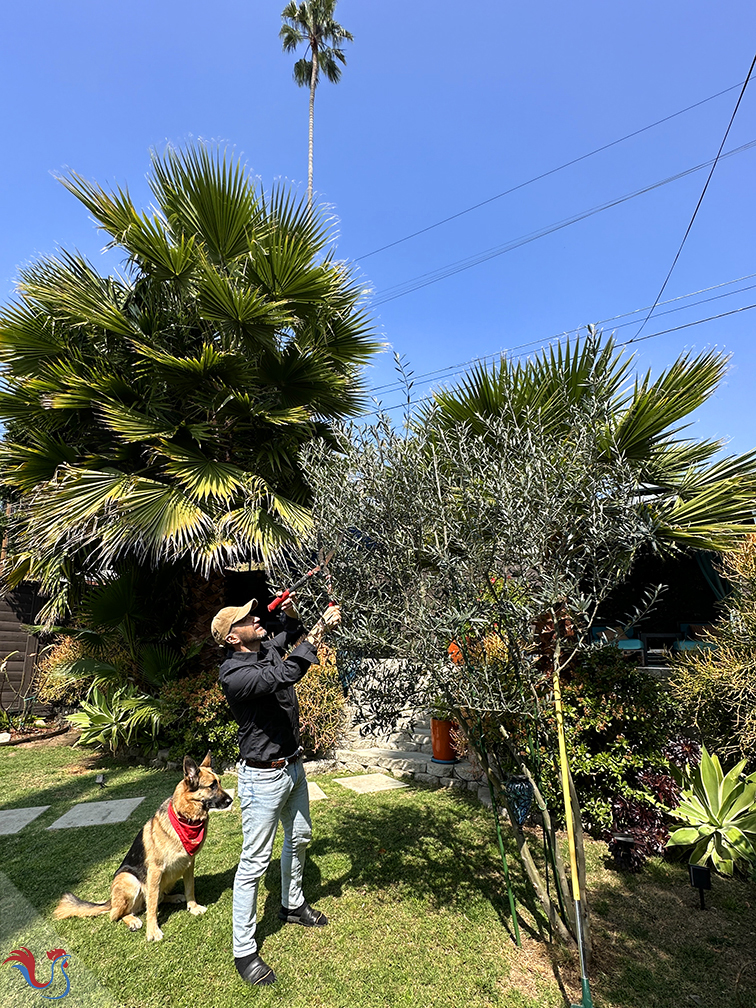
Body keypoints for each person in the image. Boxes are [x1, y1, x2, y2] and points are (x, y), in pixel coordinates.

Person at [211, 592, 341, 987]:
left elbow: (290, 634)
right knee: (253, 863)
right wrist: (319, 632)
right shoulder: (234, 675)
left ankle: (292, 904)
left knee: (300, 837)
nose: (255, 618)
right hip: (262, 777)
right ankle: (244, 950)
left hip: (293, 766)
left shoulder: (263, 646)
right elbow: (286, 673)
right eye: (247, 619)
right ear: (233, 637)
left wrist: (294, 615)